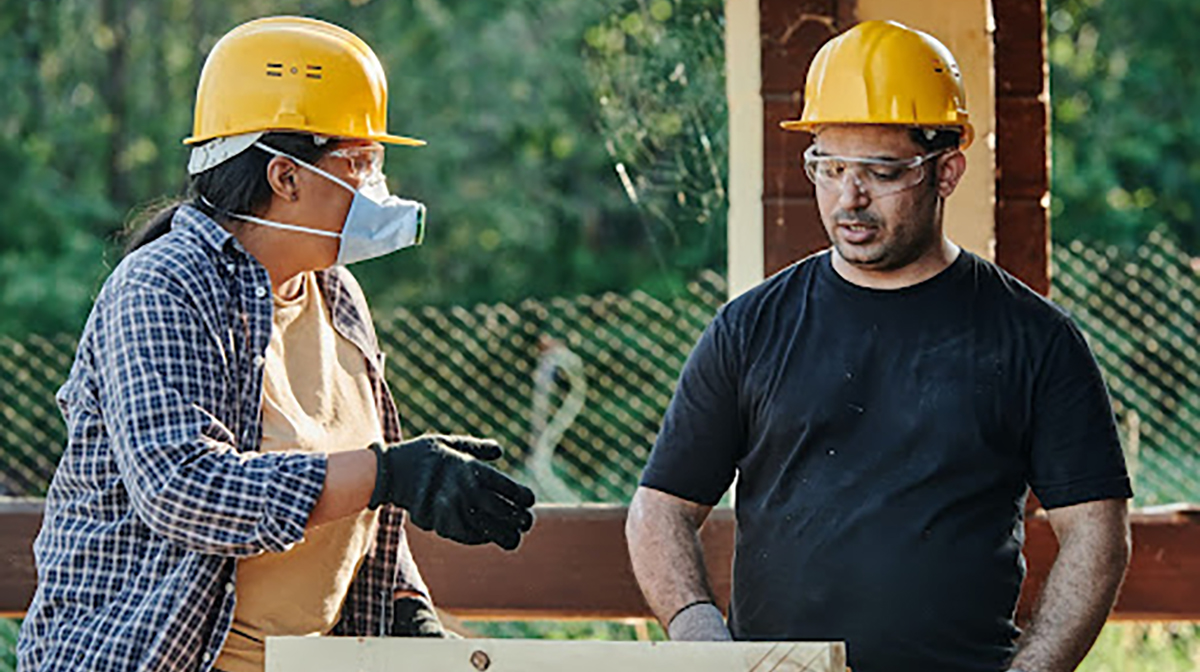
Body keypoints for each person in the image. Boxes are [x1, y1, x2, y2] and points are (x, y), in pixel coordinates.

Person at [18, 16, 535, 672]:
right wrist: (392, 473)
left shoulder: (337, 293)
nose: (378, 187)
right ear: (285, 177)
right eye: (359, 163)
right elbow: (181, 488)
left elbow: (353, 489)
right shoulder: (162, 286)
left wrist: (407, 604)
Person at [626, 20, 1131, 672]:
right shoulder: (748, 329)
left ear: (946, 172)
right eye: (829, 167)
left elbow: (1096, 531)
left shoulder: (1036, 339)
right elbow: (659, 510)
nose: (849, 197)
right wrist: (708, 649)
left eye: (880, 171)